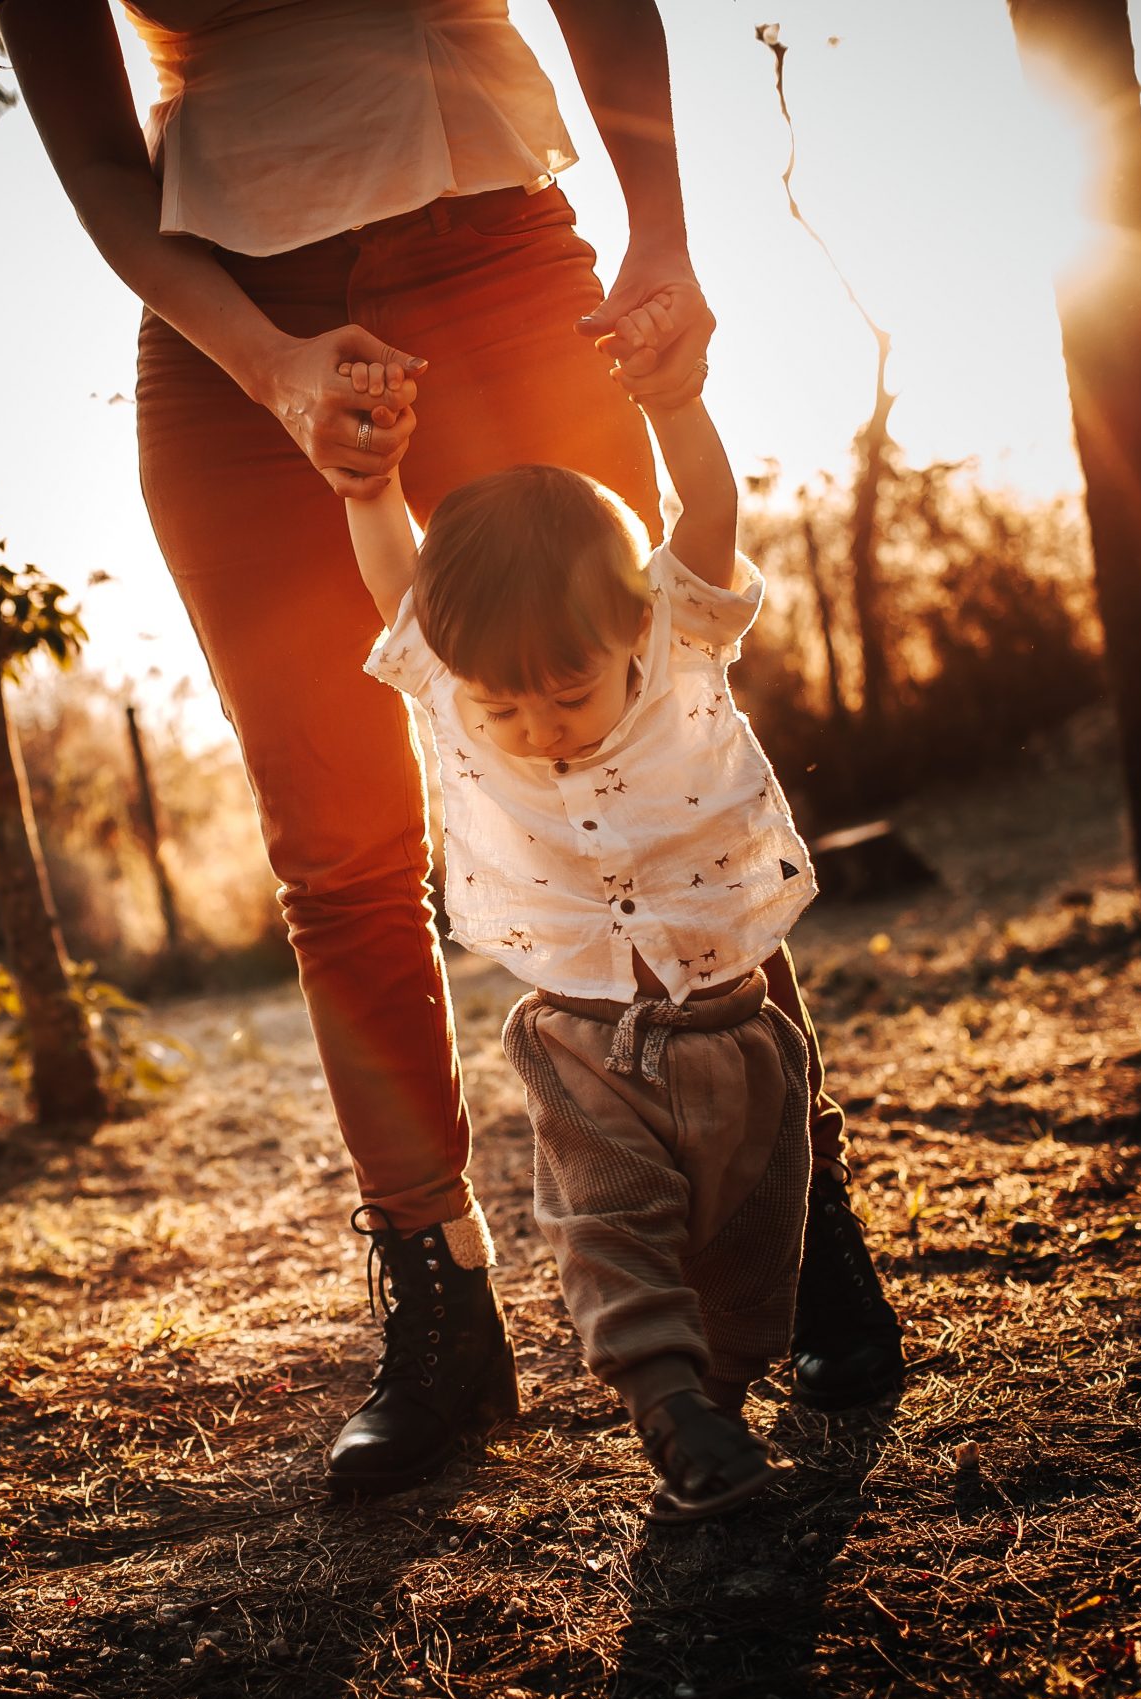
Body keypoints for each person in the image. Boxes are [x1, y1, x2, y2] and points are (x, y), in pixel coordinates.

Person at [0, 0, 901, 1494]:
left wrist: (661, 232)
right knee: (337, 847)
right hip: (230, 325)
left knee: (649, 727)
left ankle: (795, 1221)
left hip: (493, 252)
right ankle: (440, 1308)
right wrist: (273, 365)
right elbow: (104, 169)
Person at [339, 295, 812, 1519]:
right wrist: (367, 485)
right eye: (506, 709)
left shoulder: (673, 638)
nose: (537, 729)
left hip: (738, 1023)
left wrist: (673, 406)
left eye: (566, 692)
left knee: (756, 1262)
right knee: (608, 1228)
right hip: (582, 1035)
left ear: (630, 631)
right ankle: (666, 1409)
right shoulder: (454, 686)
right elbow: (399, 577)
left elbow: (706, 517)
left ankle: (717, 1399)